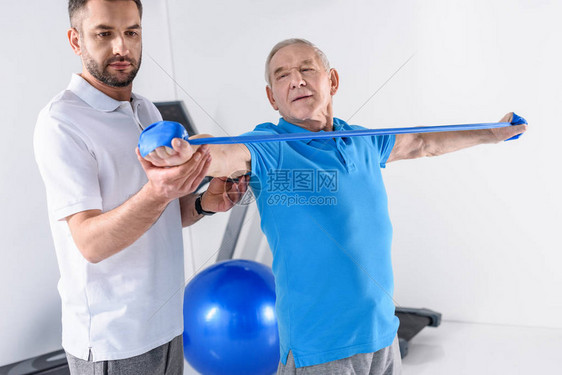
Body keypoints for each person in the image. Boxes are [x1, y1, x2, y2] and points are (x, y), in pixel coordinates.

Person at [144, 38, 527, 374]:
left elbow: (423, 143)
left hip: (382, 335)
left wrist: (491, 134)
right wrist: (187, 149)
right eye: (282, 75)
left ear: (332, 81)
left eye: (306, 68)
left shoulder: (363, 140)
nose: (296, 79)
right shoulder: (268, 147)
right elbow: (221, 150)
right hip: (319, 351)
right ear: (271, 97)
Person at [33, 1, 246, 374]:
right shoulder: (61, 122)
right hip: (113, 342)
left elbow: (162, 217)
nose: (121, 47)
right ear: (75, 39)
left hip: (166, 326)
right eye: (104, 33)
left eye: (131, 32)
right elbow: (91, 243)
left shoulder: (146, 111)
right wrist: (159, 191)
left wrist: (203, 204)